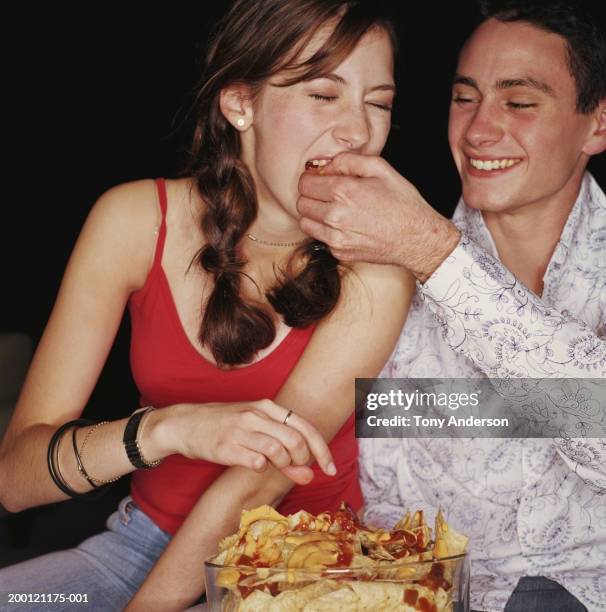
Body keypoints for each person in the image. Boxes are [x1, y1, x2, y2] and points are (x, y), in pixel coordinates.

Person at [0, 1, 412, 610]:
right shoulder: (132, 220)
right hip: (136, 547)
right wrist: (169, 428)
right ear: (240, 103)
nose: (359, 131)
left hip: (301, 570)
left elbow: (261, 479)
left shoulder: (376, 268)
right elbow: (15, 479)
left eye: (377, 102)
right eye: (324, 95)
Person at [298, 1, 606, 610]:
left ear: (597, 125)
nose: (477, 131)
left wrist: (435, 253)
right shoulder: (379, 273)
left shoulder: (418, 246)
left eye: (519, 103)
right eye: (465, 98)